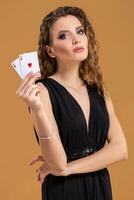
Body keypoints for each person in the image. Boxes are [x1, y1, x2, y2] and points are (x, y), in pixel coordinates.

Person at [16, 6, 128, 200]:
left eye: (80, 31)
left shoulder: (99, 90)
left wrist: (69, 168)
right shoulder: (42, 91)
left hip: (99, 185)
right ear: (50, 51)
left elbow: (120, 149)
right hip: (65, 189)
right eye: (63, 36)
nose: (76, 39)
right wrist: (38, 110)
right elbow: (58, 164)